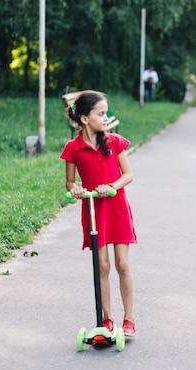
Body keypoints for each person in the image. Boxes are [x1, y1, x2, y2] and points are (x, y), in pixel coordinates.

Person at [60, 90, 138, 337]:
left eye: (106, 113)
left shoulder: (115, 142)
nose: (106, 118)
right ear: (84, 119)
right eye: (101, 114)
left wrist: (112, 186)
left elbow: (128, 175)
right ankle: (108, 319)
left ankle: (129, 319)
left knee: (122, 264)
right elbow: (70, 183)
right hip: (94, 210)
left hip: (116, 207)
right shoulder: (73, 148)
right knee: (102, 265)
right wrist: (76, 190)